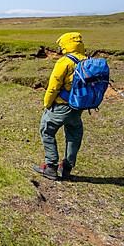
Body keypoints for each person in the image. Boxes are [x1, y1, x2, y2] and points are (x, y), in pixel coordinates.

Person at [33, 32, 87, 181]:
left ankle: (51, 167)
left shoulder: (65, 62)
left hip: (61, 106)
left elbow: (53, 86)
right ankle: (67, 167)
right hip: (78, 107)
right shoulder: (87, 61)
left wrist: (47, 103)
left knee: (47, 130)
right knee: (74, 135)